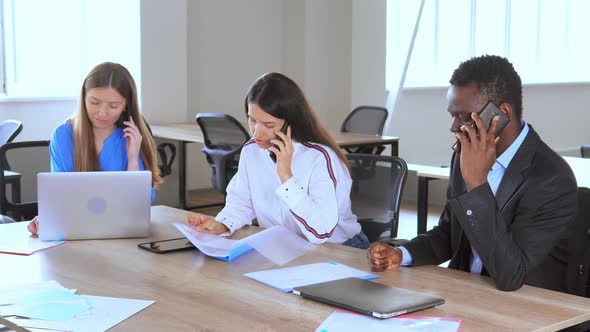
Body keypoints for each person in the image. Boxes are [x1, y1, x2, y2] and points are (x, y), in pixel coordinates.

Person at [367, 55, 578, 292]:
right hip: (466, 295)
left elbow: (511, 274)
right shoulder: (464, 155)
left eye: (465, 117)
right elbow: (450, 233)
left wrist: (477, 184)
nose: (454, 127)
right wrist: (402, 254)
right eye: (452, 115)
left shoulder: (550, 179)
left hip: (525, 309)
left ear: (501, 114)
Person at [186, 72, 370, 249]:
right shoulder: (252, 151)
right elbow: (241, 203)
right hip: (285, 247)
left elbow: (320, 233)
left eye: (269, 125)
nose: (256, 132)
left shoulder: (320, 158)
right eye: (252, 120)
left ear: (291, 122)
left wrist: (286, 176)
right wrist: (222, 224)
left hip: (339, 249)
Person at [27, 62, 162, 235]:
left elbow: (140, 204)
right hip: (76, 231)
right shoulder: (63, 135)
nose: (102, 113)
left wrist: (133, 157)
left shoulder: (132, 137)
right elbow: (59, 195)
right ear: (83, 98)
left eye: (113, 106)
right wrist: (47, 217)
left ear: (125, 105)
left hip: (123, 231)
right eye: (95, 102)